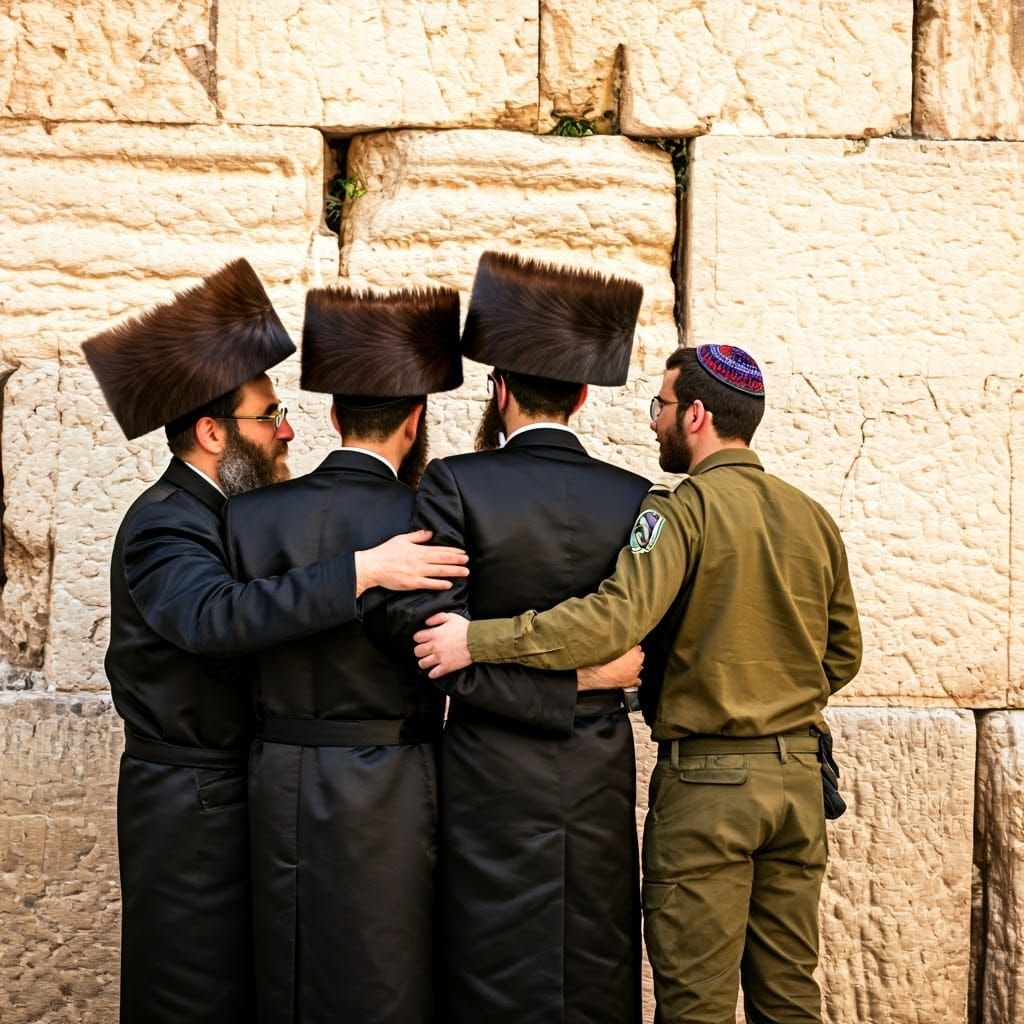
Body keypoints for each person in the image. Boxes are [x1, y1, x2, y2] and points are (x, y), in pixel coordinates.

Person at [414, 343, 863, 1024]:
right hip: (798, 781)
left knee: (696, 1000)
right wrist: (773, 693)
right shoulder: (811, 516)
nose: (655, 422)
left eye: (662, 407)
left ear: (698, 416)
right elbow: (843, 654)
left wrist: (477, 638)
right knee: (791, 992)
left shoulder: (677, 512)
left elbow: (607, 623)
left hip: (710, 786)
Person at [82, 260, 468, 1024]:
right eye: (268, 415)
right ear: (212, 430)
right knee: (189, 993)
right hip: (188, 808)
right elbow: (215, 618)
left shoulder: (226, 511)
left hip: (233, 790)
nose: (285, 429)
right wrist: (362, 569)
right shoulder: (167, 520)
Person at [388, 250, 651, 1024]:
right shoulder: (635, 497)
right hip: (598, 771)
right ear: (579, 396)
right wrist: (582, 682)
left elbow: (437, 647)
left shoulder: (455, 483)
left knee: (488, 967)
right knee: (595, 961)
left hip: (487, 775)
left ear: (498, 391)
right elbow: (644, 655)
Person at [222, 284, 464, 1024]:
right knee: (386, 975)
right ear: (416, 418)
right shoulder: (427, 515)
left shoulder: (248, 513)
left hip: (276, 777)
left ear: (331, 416)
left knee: (286, 975)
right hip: (392, 780)